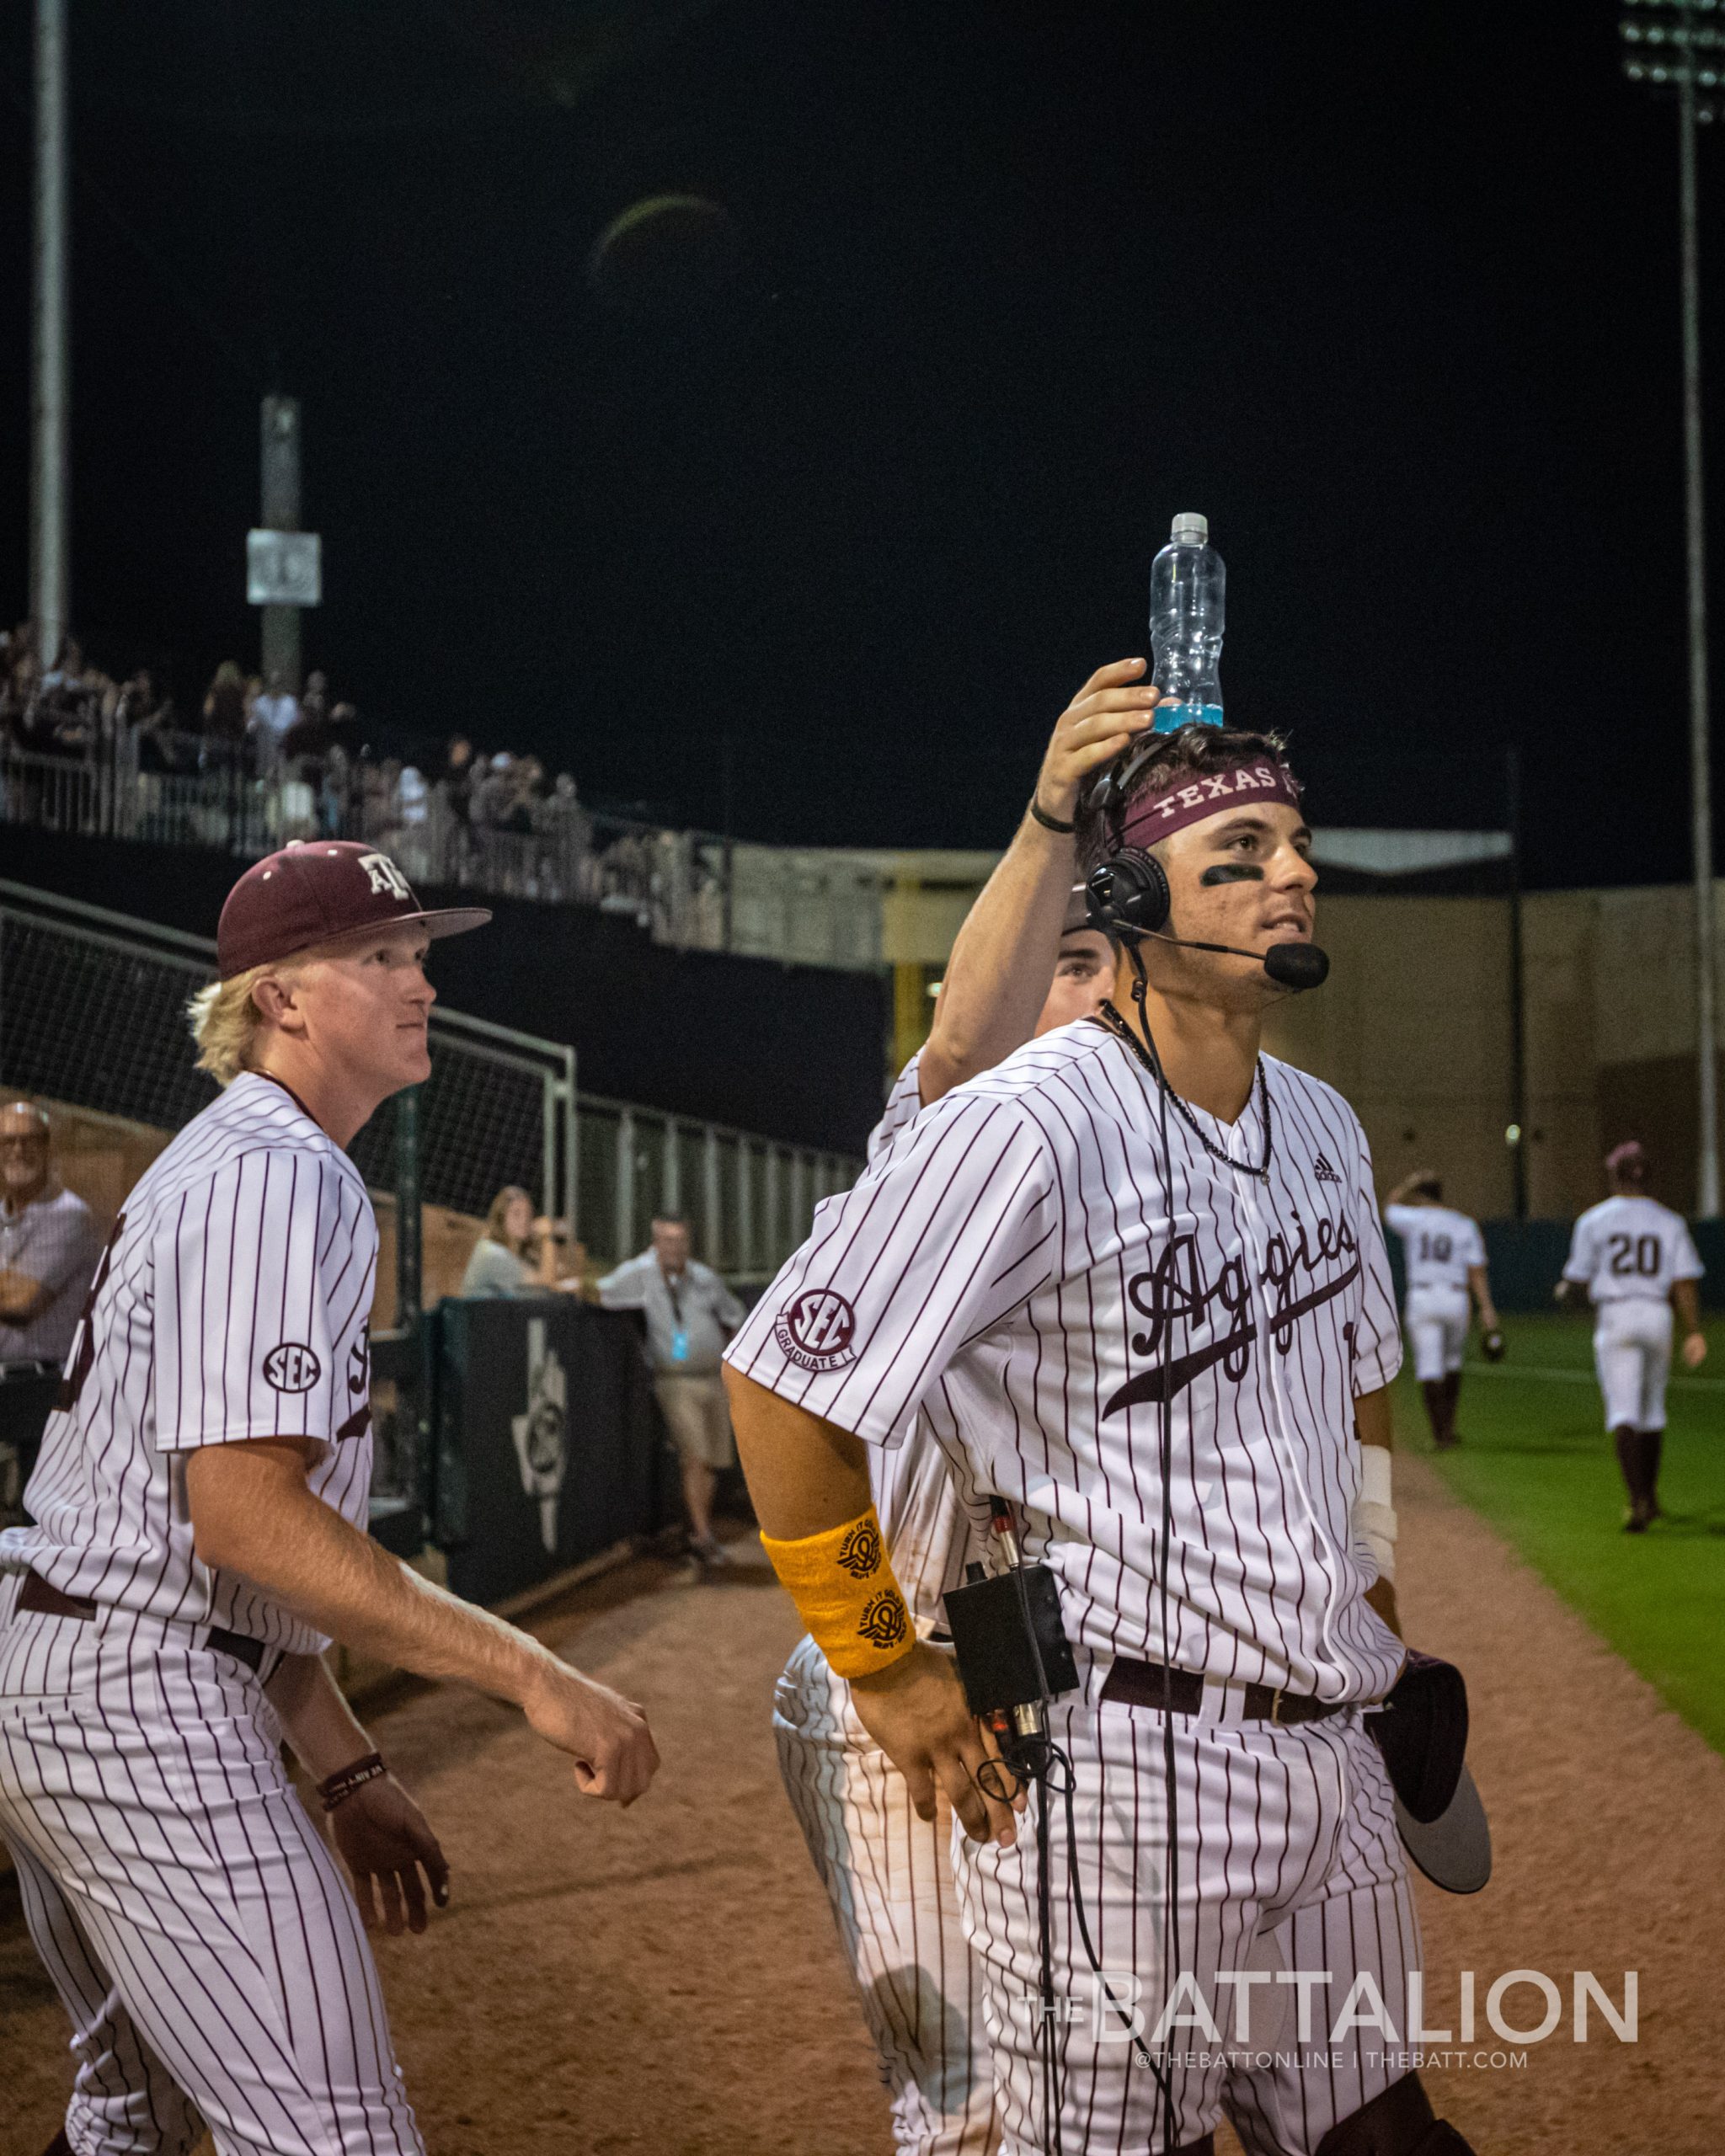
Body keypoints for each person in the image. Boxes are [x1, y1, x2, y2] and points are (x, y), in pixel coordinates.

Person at [727, 676, 1475, 2156]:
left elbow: (1359, 1379)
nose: (1294, 873)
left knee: (1385, 2134)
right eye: (1241, 852)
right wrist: (878, 1670)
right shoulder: (1022, 1123)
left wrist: (1369, 1588)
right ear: (1132, 900)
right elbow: (779, 1380)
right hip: (1123, 1766)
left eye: (1294, 842)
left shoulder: (1319, 1124)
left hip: (1323, 1748)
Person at [0, 839, 658, 2156]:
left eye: (418, 955)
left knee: (136, 2109)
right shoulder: (271, 1171)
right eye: (379, 957)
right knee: (333, 2135)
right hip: (140, 1697)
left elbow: (238, 1569)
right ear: (279, 998)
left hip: (101, 1666)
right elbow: (245, 1521)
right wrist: (532, 1671)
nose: (420, 984)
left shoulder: (255, 1159)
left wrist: (344, 1758)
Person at [772, 677, 1130, 2156]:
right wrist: (1051, 816)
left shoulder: (1145, 1178)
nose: (1097, 991)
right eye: (1067, 962)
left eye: (1114, 963)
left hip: (1048, 1690)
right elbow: (967, 1043)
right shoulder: (955, 1144)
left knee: (1092, 2094)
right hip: (894, 1681)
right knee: (969, 2115)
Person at [1557, 1139, 1706, 1532]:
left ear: (1614, 1175)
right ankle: (1651, 1498)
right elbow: (1685, 1282)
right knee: (1652, 1411)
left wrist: (1565, 1291)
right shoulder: (1669, 1221)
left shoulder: (1594, 1220)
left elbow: (1575, 1281)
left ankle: (1637, 1500)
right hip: (1658, 1313)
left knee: (1624, 1411)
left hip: (1617, 1314)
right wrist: (1694, 1332)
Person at [598, 1214, 745, 1567]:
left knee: (712, 1463)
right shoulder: (641, 1274)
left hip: (712, 1378)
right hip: (675, 1381)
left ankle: (697, 1531)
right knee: (695, 1457)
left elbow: (736, 1315)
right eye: (666, 1240)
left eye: (679, 1239)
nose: (673, 1247)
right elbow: (601, 1291)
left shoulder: (703, 1278)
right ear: (654, 1242)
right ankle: (703, 1536)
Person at [1382, 1171, 1501, 1449]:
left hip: (1422, 1297)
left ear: (1421, 1196)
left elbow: (1389, 1208)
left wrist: (1409, 1184)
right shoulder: (1462, 1223)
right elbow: (1476, 1271)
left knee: (1429, 1367)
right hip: (1455, 1297)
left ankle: (1440, 1434)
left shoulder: (1413, 1219)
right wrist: (1487, 1309)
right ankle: (1448, 1428)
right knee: (1451, 1363)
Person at [460, 1184, 578, 1296]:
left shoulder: (513, 1251)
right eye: (516, 1214)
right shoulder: (493, 1254)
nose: (524, 1220)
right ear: (501, 1217)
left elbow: (545, 1283)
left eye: (528, 1214)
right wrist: (547, 1237)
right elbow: (545, 1286)